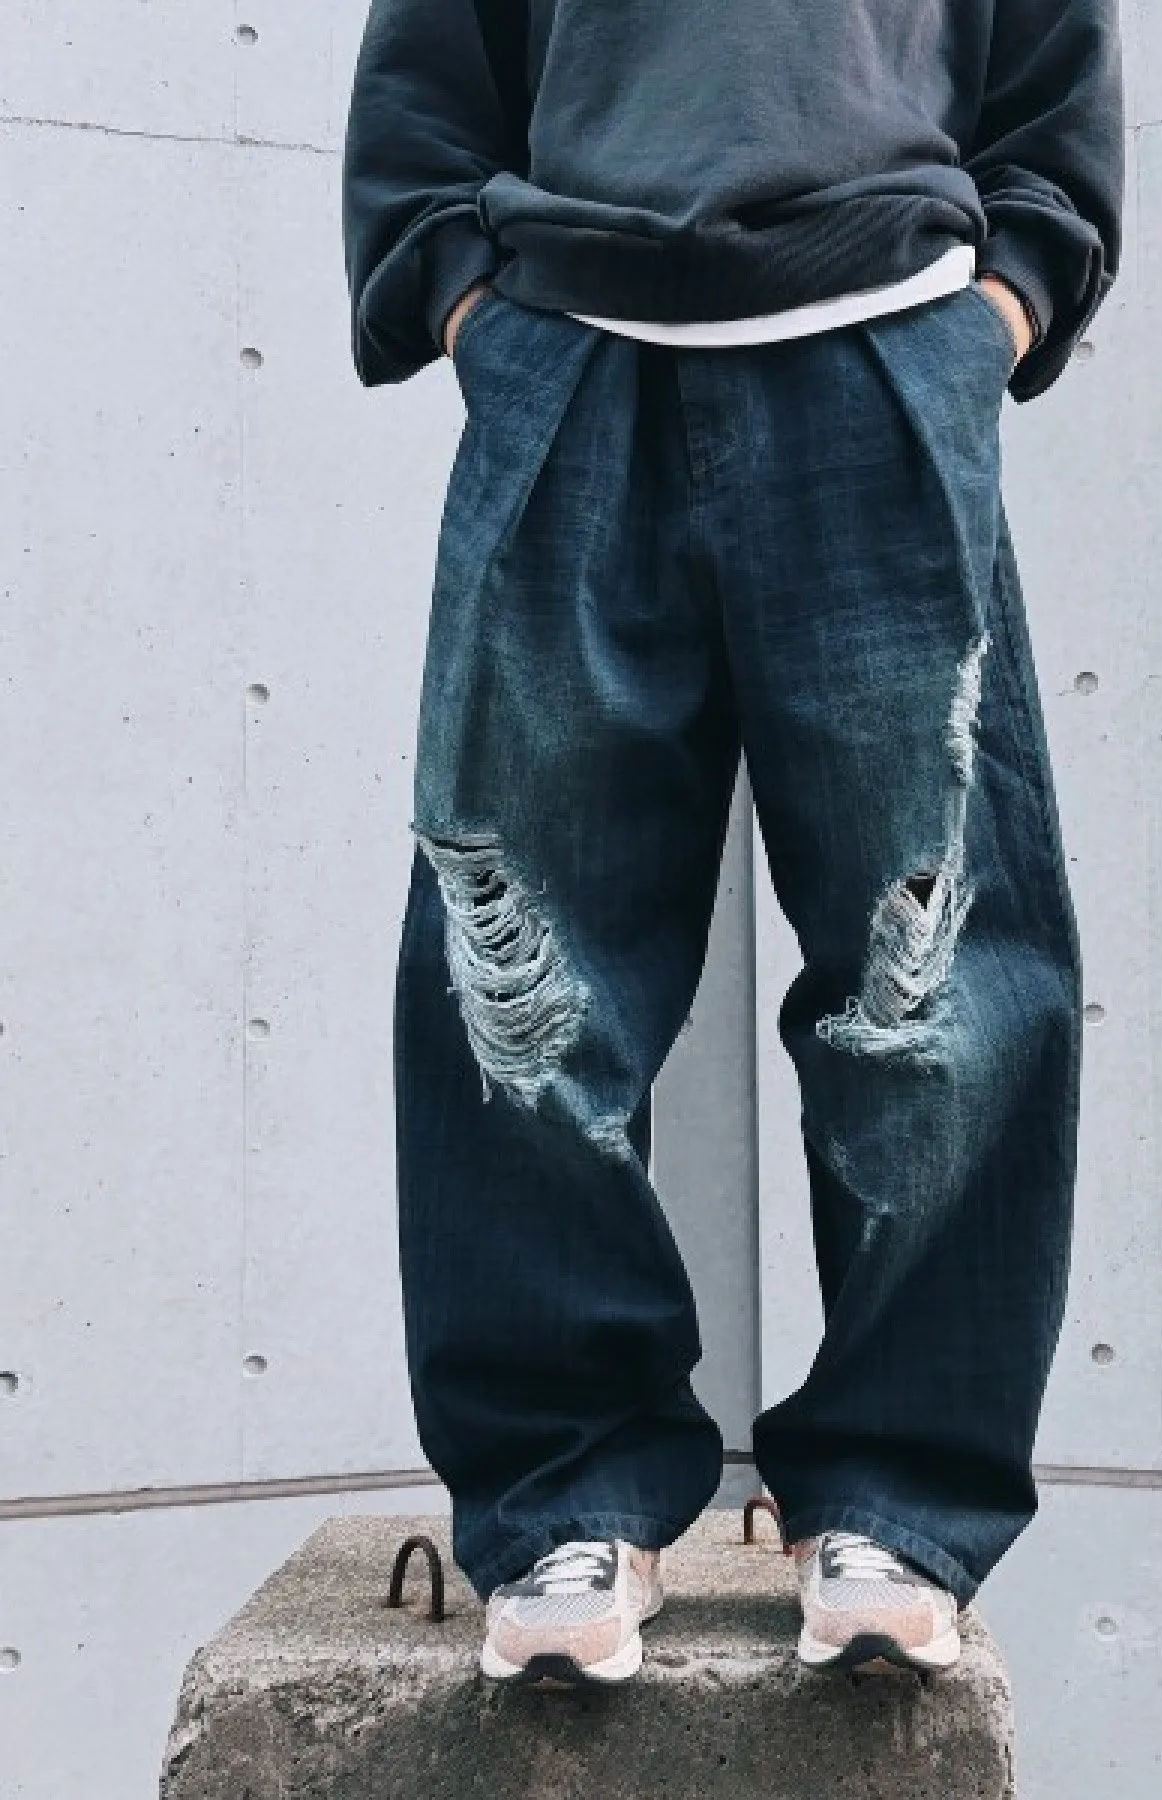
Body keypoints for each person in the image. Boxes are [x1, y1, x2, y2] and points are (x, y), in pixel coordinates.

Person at [342, 0, 1122, 1686]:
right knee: (520, 982)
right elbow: (429, 77)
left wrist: (997, 310)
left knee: (936, 988)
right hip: (574, 356)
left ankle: (904, 1504)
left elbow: (1052, 84)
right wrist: (469, 306)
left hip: (883, 355)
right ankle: (563, 1494)